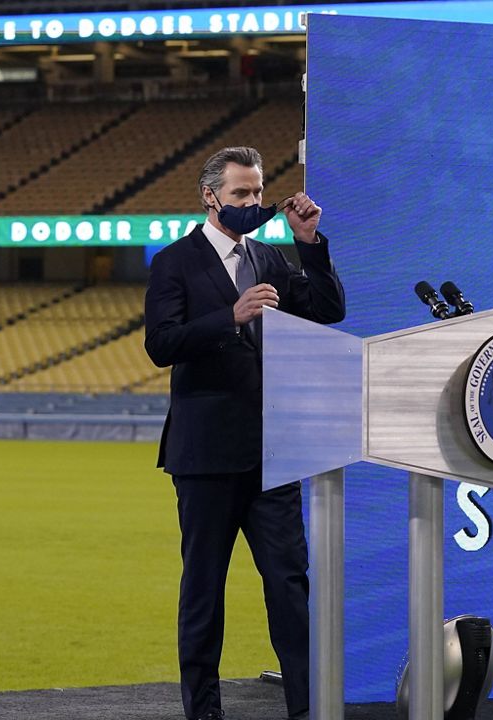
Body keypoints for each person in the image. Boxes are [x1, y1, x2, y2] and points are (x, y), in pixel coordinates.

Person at [144, 146, 346, 720]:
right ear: (210, 196)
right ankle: (204, 711)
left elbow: (330, 309)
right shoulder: (174, 262)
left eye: (258, 193)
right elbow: (160, 344)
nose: (253, 203)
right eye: (241, 194)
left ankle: (309, 708)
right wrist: (229, 317)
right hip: (204, 454)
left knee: (289, 583)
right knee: (204, 589)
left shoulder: (269, 257)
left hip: (270, 451)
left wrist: (309, 243)